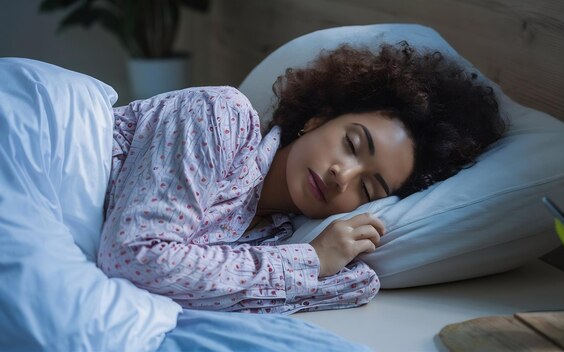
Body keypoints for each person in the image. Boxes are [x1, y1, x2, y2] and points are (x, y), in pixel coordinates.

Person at [97, 42, 505, 314]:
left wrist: (319, 259)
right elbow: (135, 258)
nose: (341, 176)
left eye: (367, 188)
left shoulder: (272, 239)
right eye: (351, 144)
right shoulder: (220, 117)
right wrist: (312, 261)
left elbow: (358, 284)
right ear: (316, 119)